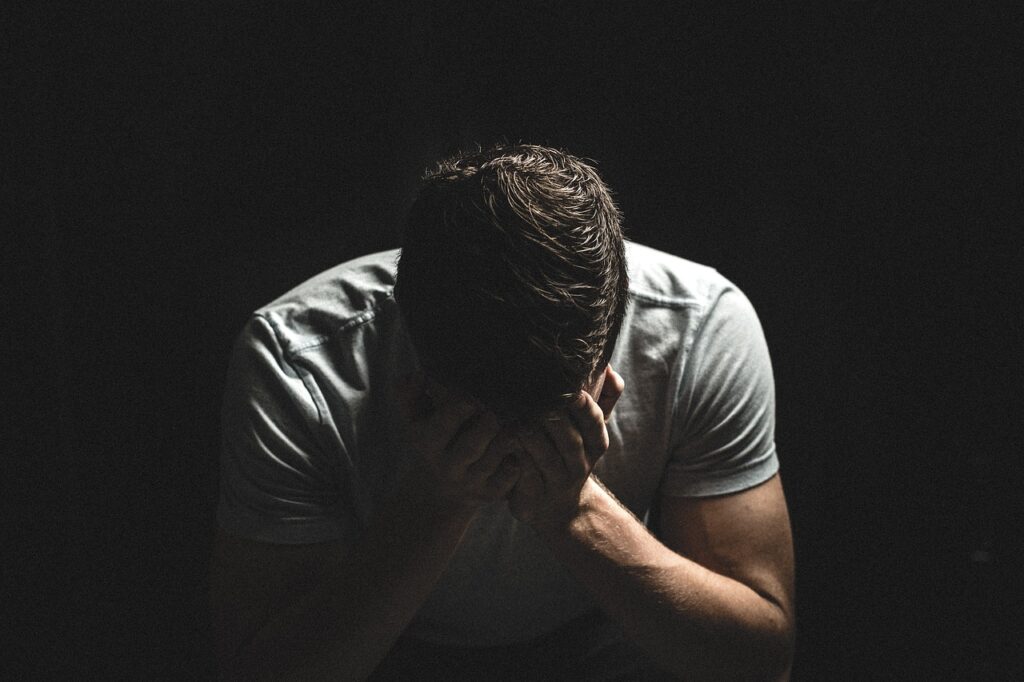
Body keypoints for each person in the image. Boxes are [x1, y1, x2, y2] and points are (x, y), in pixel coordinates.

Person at [209, 144, 795, 680]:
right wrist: (438, 499)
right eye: (481, 413)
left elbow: (760, 664)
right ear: (409, 334)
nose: (512, 446)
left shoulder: (702, 328)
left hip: (613, 640)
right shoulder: (296, 363)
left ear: (613, 337)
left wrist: (574, 511)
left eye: (549, 411)